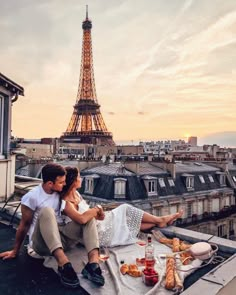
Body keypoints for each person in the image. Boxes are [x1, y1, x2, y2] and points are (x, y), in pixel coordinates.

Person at [0, 163, 105, 288]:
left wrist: (95, 213)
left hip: (63, 240)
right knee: (47, 211)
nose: (64, 184)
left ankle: (92, 265)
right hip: (42, 244)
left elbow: (81, 216)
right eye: (61, 182)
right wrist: (15, 251)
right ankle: (63, 264)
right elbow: (24, 225)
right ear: (50, 183)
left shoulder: (62, 193)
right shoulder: (32, 197)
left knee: (89, 218)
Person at [60, 167, 184, 248]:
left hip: (99, 222)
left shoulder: (76, 194)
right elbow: (81, 219)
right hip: (96, 232)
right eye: (79, 177)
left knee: (128, 222)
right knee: (124, 208)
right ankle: (160, 220)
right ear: (73, 181)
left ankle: (158, 223)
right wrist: (97, 209)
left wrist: (97, 213)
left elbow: (87, 214)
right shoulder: (66, 203)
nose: (81, 179)